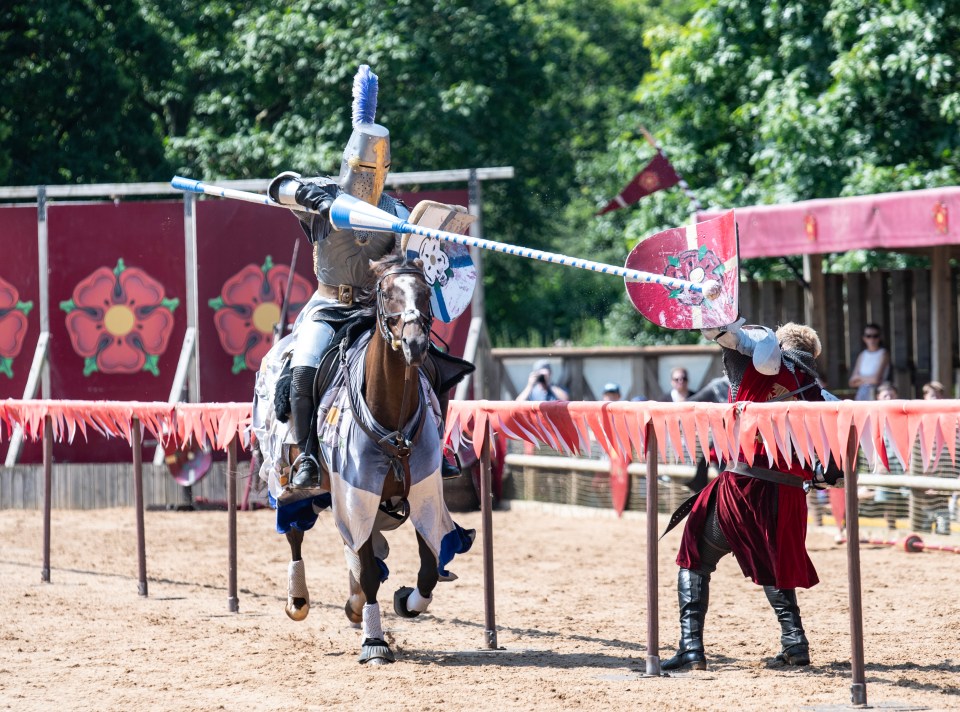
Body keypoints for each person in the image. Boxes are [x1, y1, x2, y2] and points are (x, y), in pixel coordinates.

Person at [265, 65, 469, 488]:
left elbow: (416, 262)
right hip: (329, 307)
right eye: (360, 168)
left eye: (375, 171)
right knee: (303, 368)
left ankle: (438, 448)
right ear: (348, 162)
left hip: (376, 310)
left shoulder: (395, 213)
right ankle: (306, 459)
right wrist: (313, 197)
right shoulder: (321, 195)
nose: (367, 177)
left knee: (429, 364)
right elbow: (277, 187)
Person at [661, 319, 842, 672]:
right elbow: (835, 472)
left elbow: (725, 334)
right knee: (772, 562)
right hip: (789, 496)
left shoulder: (755, 361)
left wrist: (712, 310)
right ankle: (795, 644)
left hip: (747, 486)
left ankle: (691, 649)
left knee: (695, 555)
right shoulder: (818, 395)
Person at [848, 323, 890, 401]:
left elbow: (876, 380)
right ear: (864, 338)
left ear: (879, 338)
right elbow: (852, 382)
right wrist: (869, 380)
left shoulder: (883, 354)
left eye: (875, 336)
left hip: (877, 393)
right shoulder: (862, 355)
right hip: (861, 393)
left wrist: (859, 377)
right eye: (868, 336)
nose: (872, 339)